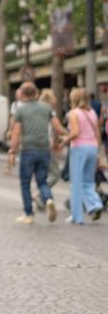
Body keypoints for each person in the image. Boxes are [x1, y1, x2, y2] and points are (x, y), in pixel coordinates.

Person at [6, 82, 66, 224]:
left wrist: (12, 151)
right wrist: (70, 135)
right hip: (44, 149)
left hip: (28, 149)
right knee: (42, 180)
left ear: (23, 94)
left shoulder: (20, 110)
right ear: (36, 93)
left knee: (25, 183)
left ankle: (28, 214)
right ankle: (48, 198)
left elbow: (16, 132)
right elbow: (58, 128)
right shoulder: (46, 108)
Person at [62, 87, 104, 224]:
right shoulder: (92, 112)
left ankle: (77, 216)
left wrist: (65, 141)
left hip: (79, 148)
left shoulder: (73, 113)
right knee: (88, 182)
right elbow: (97, 133)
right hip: (92, 148)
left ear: (73, 98)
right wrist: (97, 151)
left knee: (76, 183)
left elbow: (75, 132)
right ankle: (95, 204)